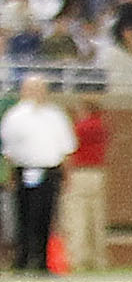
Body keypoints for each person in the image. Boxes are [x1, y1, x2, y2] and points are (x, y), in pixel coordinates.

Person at [3, 72, 74, 271]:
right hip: (23, 170)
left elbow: (66, 147)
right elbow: (9, 150)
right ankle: (22, 260)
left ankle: (42, 261)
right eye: (31, 88)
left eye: (39, 88)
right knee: (22, 217)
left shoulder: (55, 115)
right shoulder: (14, 115)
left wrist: (67, 175)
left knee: (45, 217)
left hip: (48, 171)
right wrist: (11, 174)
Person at [58, 91, 106, 271]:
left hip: (80, 173)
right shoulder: (102, 126)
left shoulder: (80, 128)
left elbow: (70, 152)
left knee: (77, 217)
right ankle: (98, 259)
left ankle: (77, 258)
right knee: (97, 218)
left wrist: (66, 175)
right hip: (98, 173)